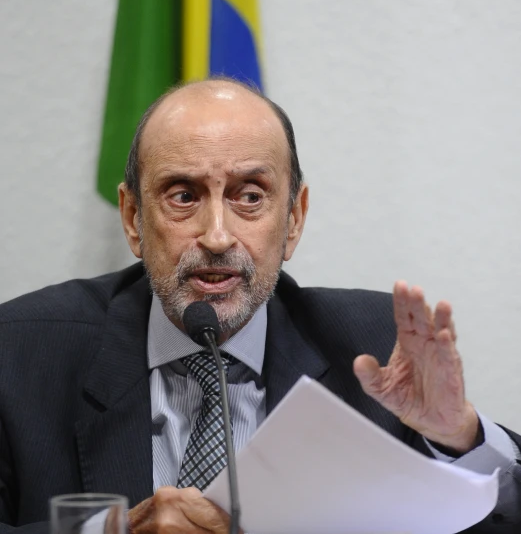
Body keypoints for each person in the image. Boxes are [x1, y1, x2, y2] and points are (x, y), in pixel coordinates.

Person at [0, 78, 520, 534]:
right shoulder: (22, 352)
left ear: (293, 219)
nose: (218, 236)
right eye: (183, 195)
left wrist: (458, 437)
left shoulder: (376, 348)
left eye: (249, 196)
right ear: (134, 218)